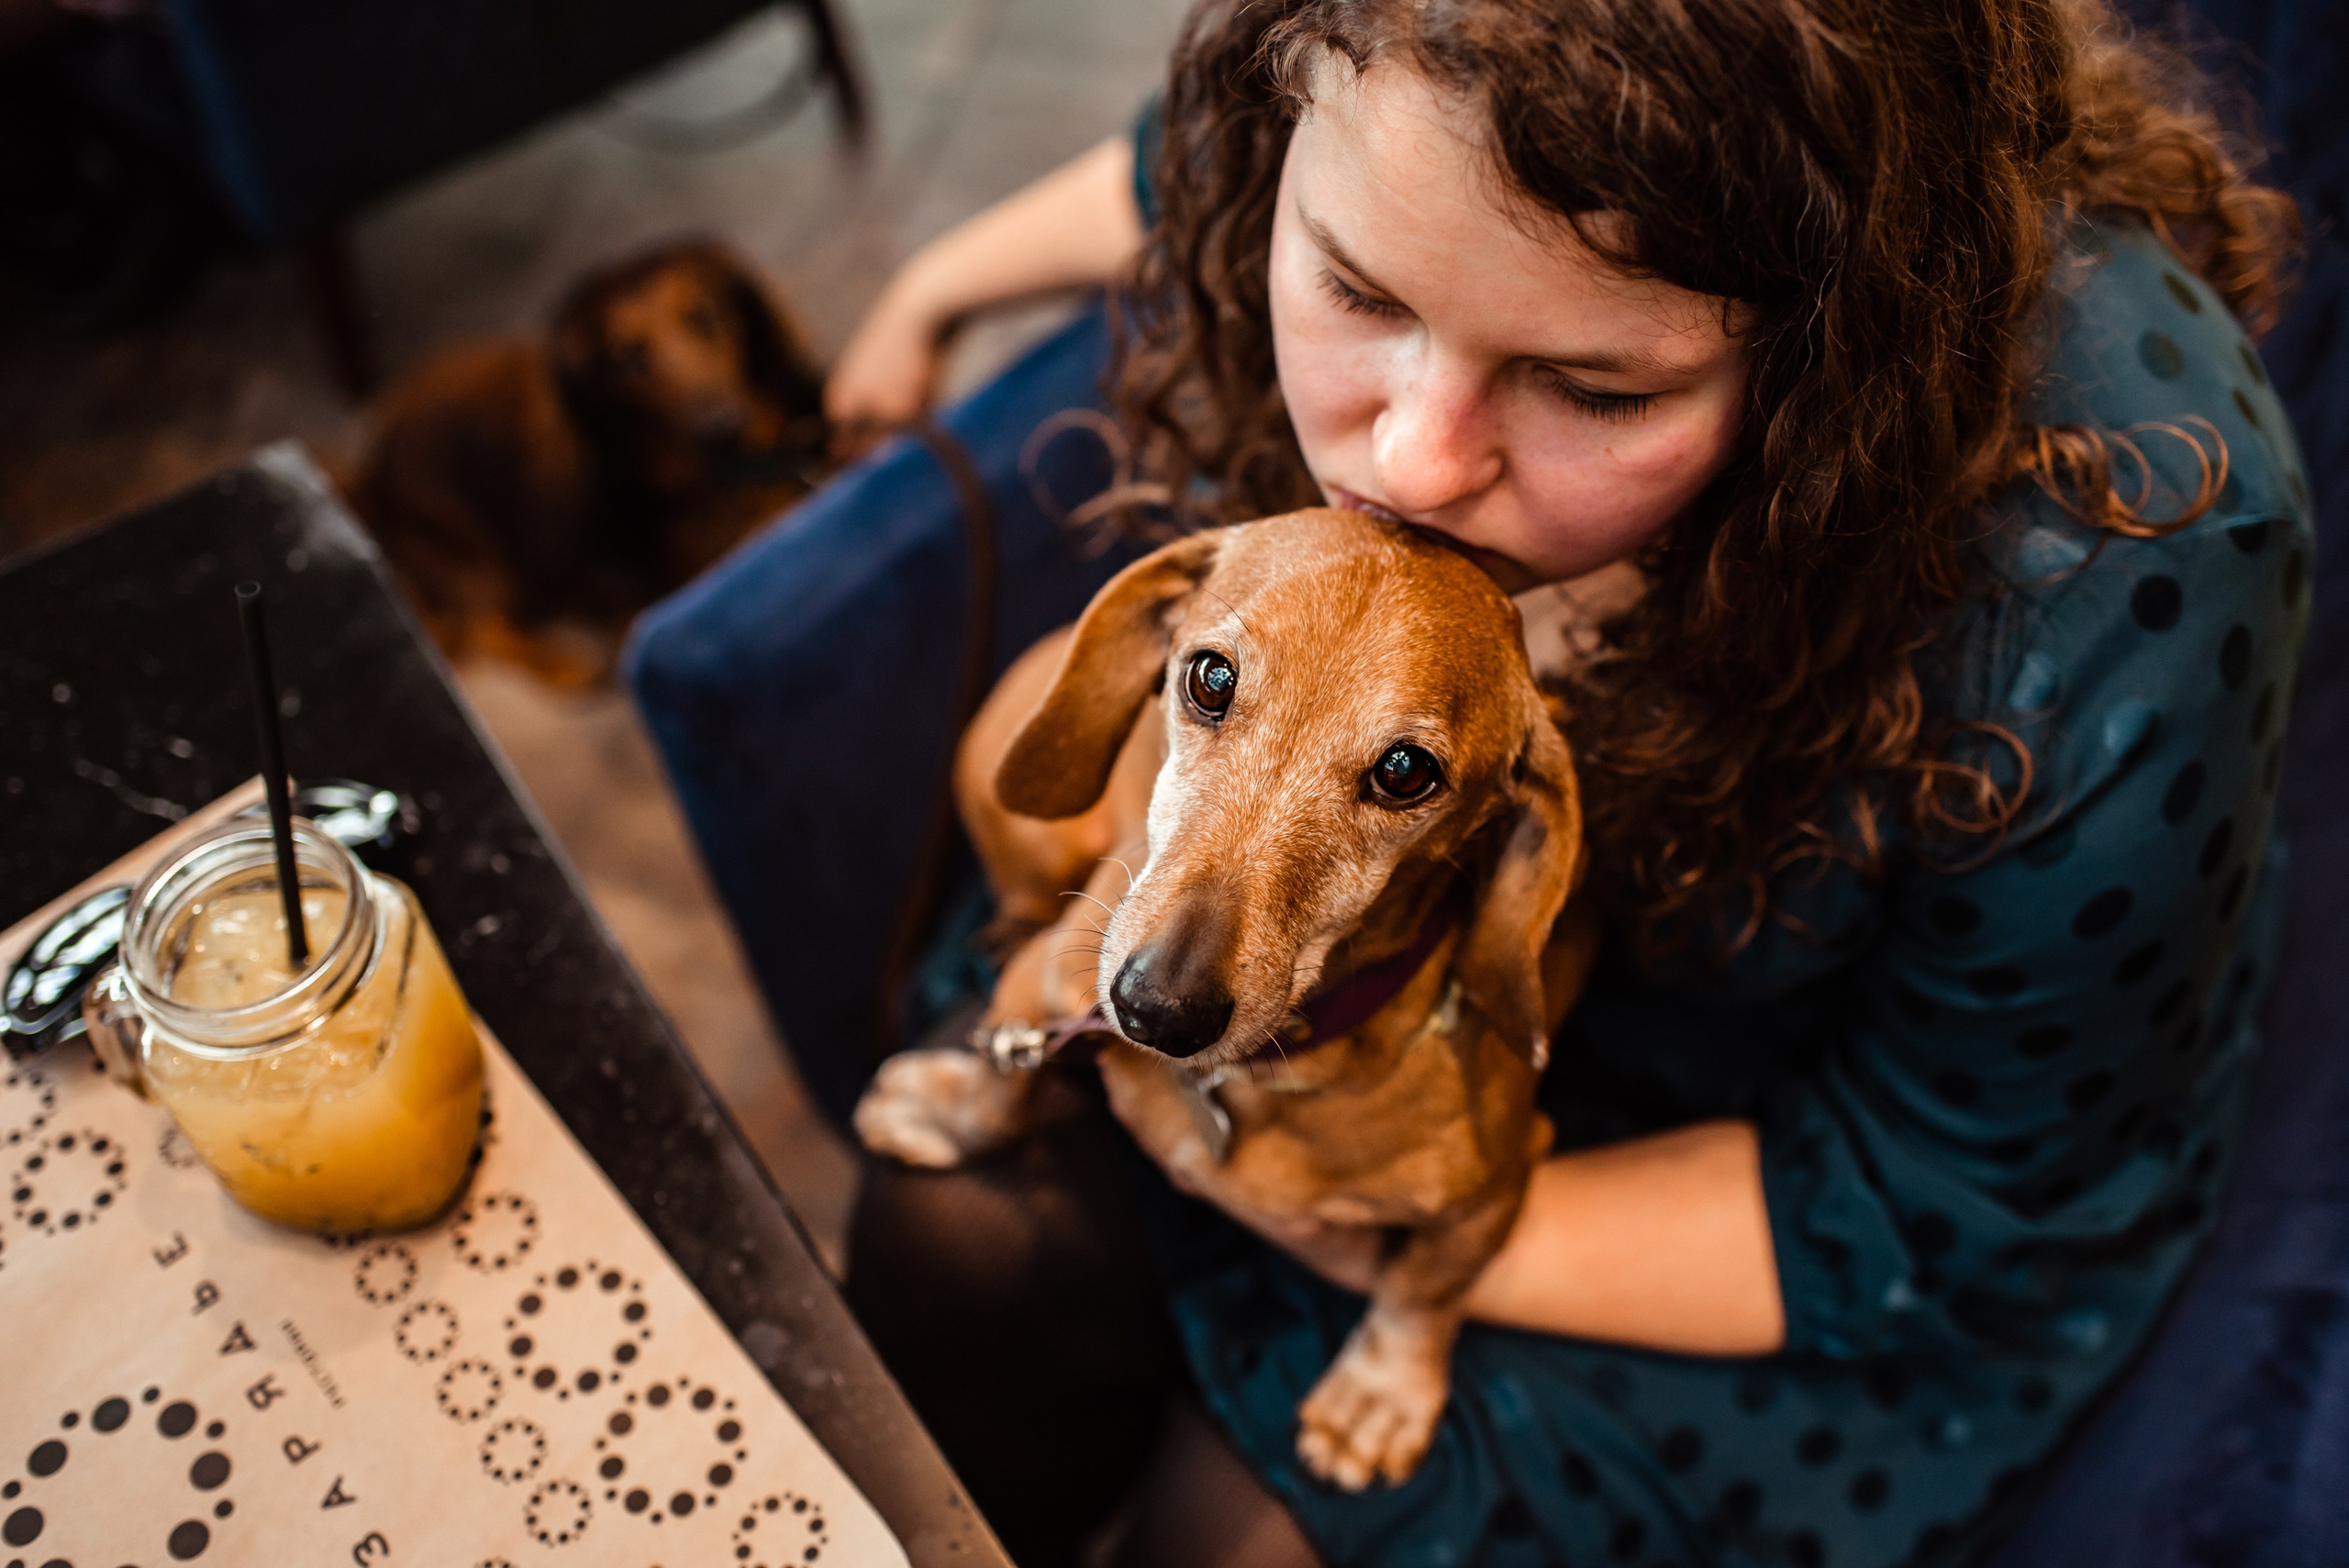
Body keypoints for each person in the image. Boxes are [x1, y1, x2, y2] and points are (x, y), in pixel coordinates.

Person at [829, 2, 2310, 1565]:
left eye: (1596, 390)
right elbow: (1193, 152)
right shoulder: (1393, 94)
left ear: (1835, 357)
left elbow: (1942, 1198)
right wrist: (928, 291)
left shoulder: (2139, 561)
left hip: (1734, 1135)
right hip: (1298, 989)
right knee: (958, 1236)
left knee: (1236, 1541)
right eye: (1353, 284)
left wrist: (1392, 1226)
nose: (1405, 464)